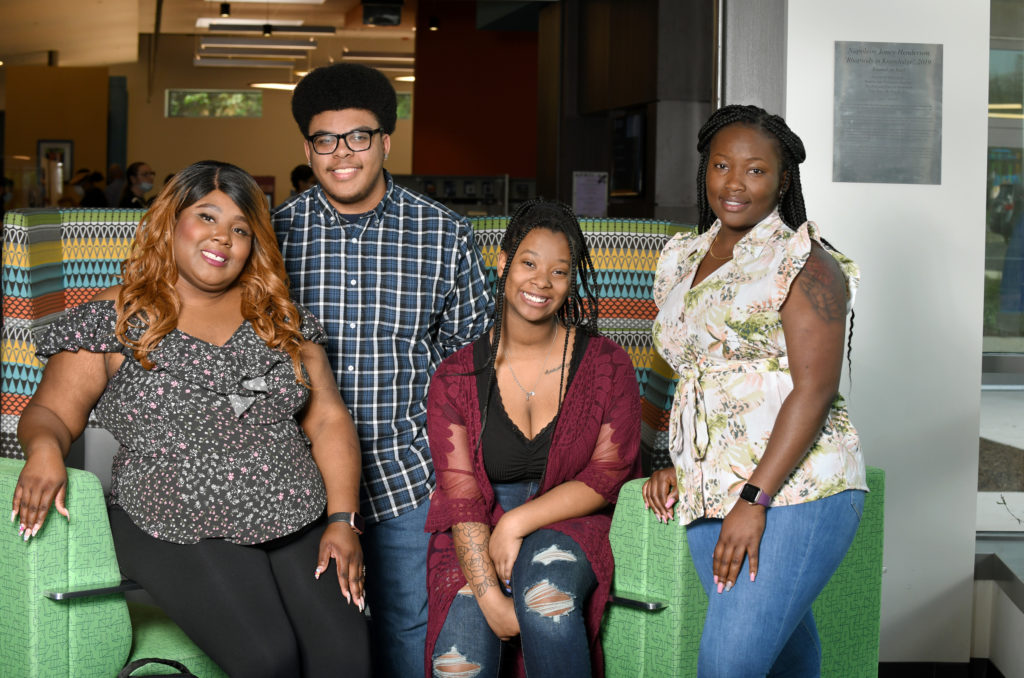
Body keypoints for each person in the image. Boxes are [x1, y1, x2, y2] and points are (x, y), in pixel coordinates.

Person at [11, 160, 371, 678]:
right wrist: (45, 450)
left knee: (347, 661)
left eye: (240, 229)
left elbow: (329, 422)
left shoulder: (282, 320)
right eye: (206, 217)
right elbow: (48, 412)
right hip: (170, 520)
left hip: (296, 513)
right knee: (268, 659)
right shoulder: (117, 317)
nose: (222, 238)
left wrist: (342, 520)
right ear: (171, 222)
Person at [273, 63, 493, 677]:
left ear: (386, 141)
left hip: (407, 478)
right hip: (298, 486)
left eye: (358, 137)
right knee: (321, 641)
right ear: (309, 148)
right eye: (325, 139)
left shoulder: (444, 235)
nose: (342, 154)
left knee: (409, 635)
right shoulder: (271, 237)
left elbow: (470, 369)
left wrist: (462, 476)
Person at [642, 105, 867, 678]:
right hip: (706, 492)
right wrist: (670, 458)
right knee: (785, 661)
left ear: (783, 179)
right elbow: (683, 370)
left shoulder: (805, 264)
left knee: (727, 666)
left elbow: (814, 391)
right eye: (721, 166)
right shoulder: (681, 258)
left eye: (755, 170)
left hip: (793, 492)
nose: (734, 184)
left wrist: (753, 500)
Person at [425, 200, 641, 678]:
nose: (541, 282)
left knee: (548, 603)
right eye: (528, 263)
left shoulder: (607, 365)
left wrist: (517, 522)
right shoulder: (455, 375)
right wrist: (489, 597)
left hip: (573, 519)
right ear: (503, 264)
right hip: (477, 530)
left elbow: (608, 476)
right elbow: (461, 501)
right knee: (458, 663)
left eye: (559, 271)